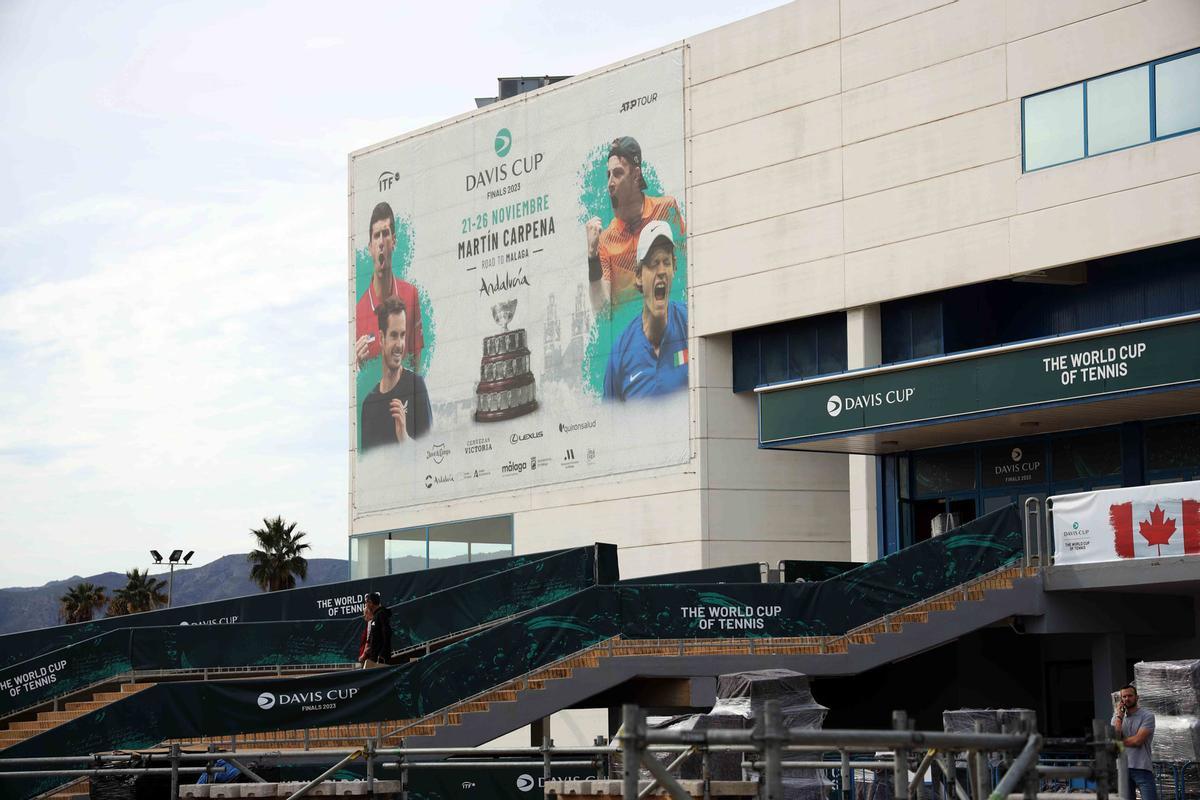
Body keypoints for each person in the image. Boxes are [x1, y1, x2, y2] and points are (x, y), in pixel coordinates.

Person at [584, 136, 685, 313]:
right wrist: (592, 257)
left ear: (636, 175)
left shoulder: (666, 209)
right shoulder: (606, 241)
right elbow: (602, 310)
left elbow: (687, 267)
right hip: (632, 336)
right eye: (608, 175)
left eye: (617, 173)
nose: (610, 184)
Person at [603, 220, 689, 401]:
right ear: (639, 276)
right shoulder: (620, 352)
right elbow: (608, 426)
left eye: (666, 262)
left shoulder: (691, 324)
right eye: (653, 263)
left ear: (674, 268)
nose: (661, 271)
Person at [355, 202, 424, 371]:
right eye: (376, 236)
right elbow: (359, 379)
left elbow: (417, 364)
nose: (381, 242)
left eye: (385, 234)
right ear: (370, 247)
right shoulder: (358, 313)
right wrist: (357, 364)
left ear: (393, 241)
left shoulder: (411, 295)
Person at [360, 296, 432, 450]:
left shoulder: (416, 385)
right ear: (381, 338)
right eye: (394, 335)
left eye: (403, 335)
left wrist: (404, 439)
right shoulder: (368, 405)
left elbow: (431, 454)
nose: (400, 345)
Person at [1113, 684, 1157, 800]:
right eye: (1124, 696)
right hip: (1122, 768)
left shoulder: (1147, 716)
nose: (1127, 698)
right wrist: (1119, 718)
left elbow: (1138, 741)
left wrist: (1118, 741)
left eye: (1130, 695)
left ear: (1137, 697)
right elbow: (1114, 739)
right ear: (1121, 699)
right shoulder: (1117, 717)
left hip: (1141, 766)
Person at [362, 592, 392, 668]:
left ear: (371, 603)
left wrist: (382, 653)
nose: (366, 605)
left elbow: (387, 633)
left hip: (381, 657)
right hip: (374, 656)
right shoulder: (376, 616)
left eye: (366, 602)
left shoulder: (381, 614)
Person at [357, 604, 373, 668]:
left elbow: (368, 641)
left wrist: (363, 656)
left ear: (369, 613)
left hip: (369, 657)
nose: (364, 616)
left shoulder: (371, 623)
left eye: (364, 614)